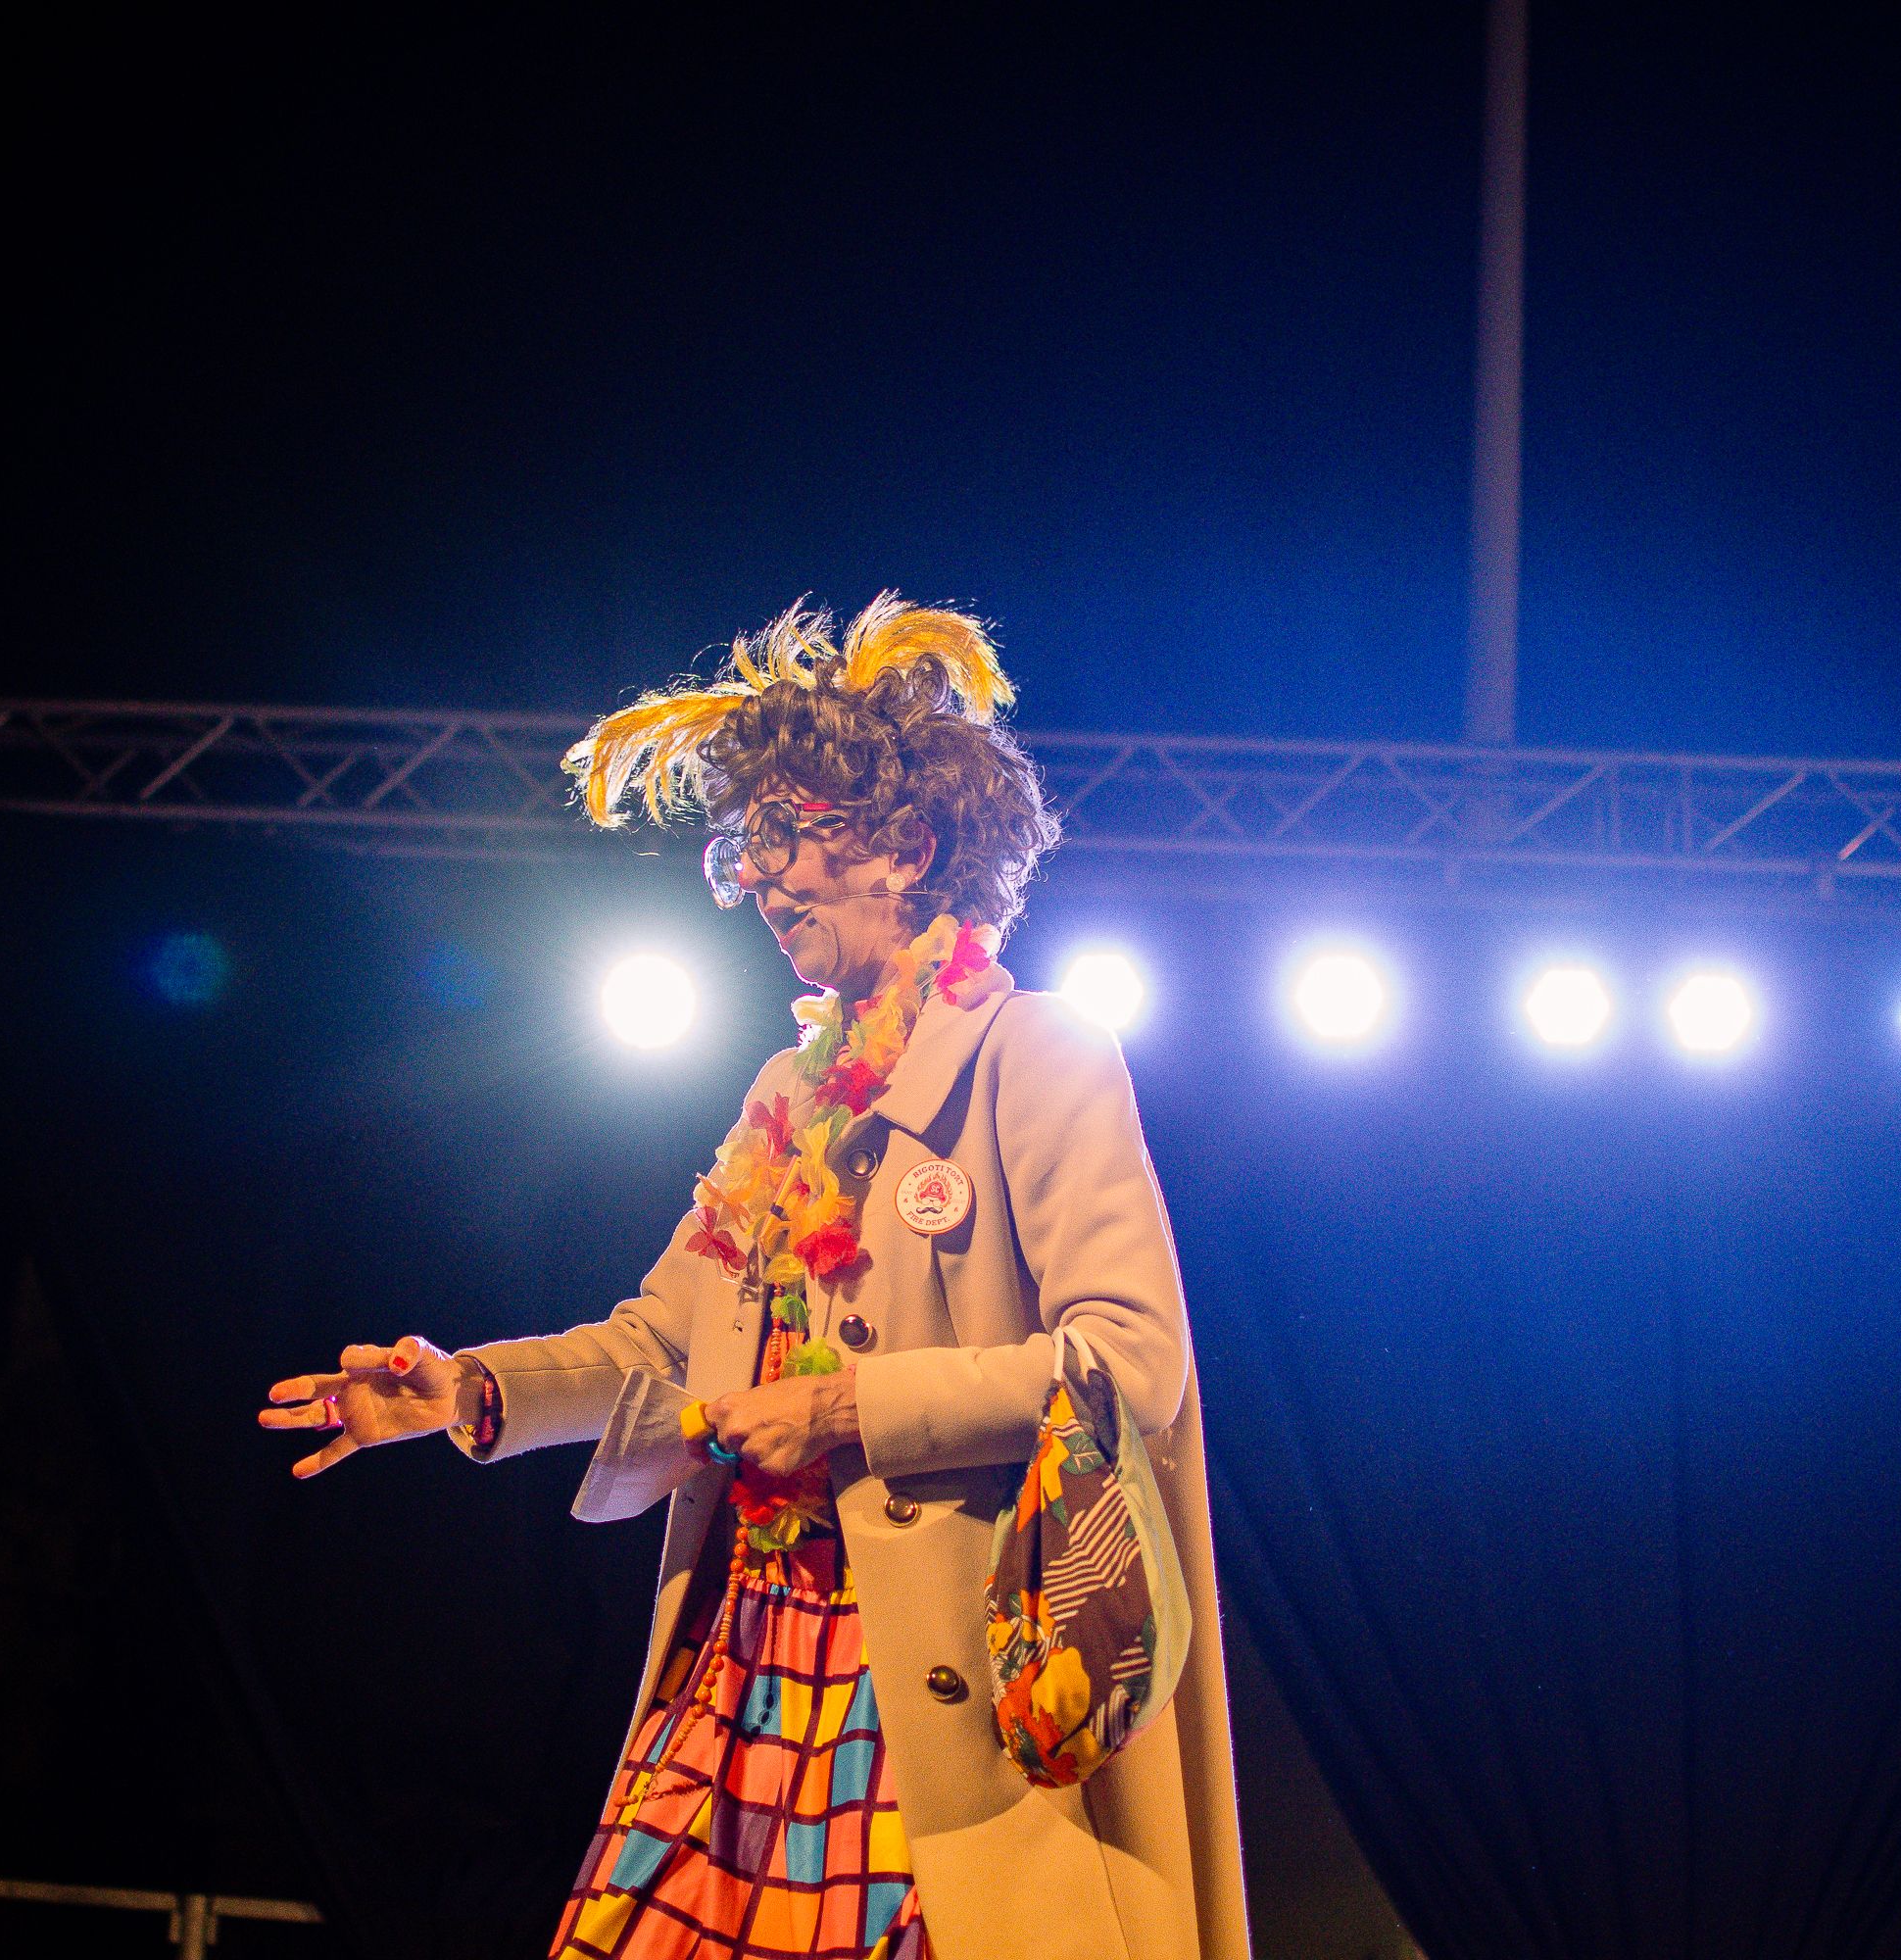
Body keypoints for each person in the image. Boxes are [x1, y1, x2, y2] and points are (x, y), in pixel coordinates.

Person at [261, 597, 1247, 1960]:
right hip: (756, 1656)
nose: (768, 880)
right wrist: (466, 1391)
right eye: (754, 845)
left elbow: (1131, 1362)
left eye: (798, 837)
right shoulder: (788, 1090)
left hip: (943, 1693)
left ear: (907, 847)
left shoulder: (1039, 1052)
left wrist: (849, 1410)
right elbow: (660, 1346)